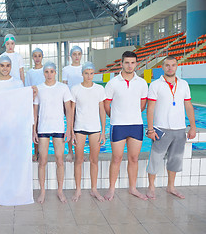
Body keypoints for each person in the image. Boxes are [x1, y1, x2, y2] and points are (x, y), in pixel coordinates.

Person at [146, 56, 196, 199]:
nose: (170, 68)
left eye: (173, 65)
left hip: (179, 128)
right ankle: (151, 187)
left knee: (175, 159)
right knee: (155, 159)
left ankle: (171, 187)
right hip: (161, 128)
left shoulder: (184, 84)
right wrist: (150, 129)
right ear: (163, 67)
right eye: (167, 65)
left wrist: (192, 126)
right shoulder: (155, 85)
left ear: (176, 67)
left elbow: (188, 105)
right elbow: (150, 108)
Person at [104, 51, 148, 201]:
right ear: (121, 63)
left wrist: (131, 114)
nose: (130, 66)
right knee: (116, 158)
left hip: (136, 125)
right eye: (127, 62)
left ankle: (133, 188)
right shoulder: (112, 83)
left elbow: (142, 105)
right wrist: (116, 116)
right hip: (118, 126)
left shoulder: (142, 83)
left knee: (134, 158)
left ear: (136, 64)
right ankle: (111, 189)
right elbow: (106, 104)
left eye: (133, 63)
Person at [33, 62, 72, 204]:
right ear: (43, 73)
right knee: (42, 161)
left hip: (59, 128)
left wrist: (69, 129)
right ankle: (42, 191)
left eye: (52, 71)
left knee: (59, 160)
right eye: (47, 71)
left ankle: (60, 191)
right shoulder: (39, 88)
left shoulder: (63, 88)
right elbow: (35, 111)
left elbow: (68, 110)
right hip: (43, 128)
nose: (49, 74)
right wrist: (34, 130)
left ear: (56, 72)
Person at [71, 62, 106, 202]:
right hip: (79, 128)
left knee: (94, 160)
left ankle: (94, 189)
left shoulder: (99, 89)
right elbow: (71, 112)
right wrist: (71, 131)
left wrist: (103, 131)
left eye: (92, 73)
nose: (89, 76)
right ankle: (78, 190)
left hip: (95, 129)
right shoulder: (75, 89)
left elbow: (102, 111)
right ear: (82, 74)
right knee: (78, 160)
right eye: (86, 73)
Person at [63, 46, 83, 163]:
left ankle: (79, 153)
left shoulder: (84, 67)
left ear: (81, 55)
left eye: (78, 54)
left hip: (82, 101)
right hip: (70, 101)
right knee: (70, 127)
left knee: (80, 128)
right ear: (71, 56)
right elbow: (65, 86)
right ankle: (70, 151)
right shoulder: (66, 69)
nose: (76, 56)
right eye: (74, 54)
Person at [25, 48, 45, 162]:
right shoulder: (29, 73)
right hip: (33, 102)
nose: (37, 58)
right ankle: (35, 151)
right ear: (32, 57)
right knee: (34, 127)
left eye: (39, 56)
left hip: (44, 102)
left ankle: (41, 151)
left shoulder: (46, 70)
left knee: (43, 128)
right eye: (35, 56)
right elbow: (27, 88)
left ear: (42, 57)